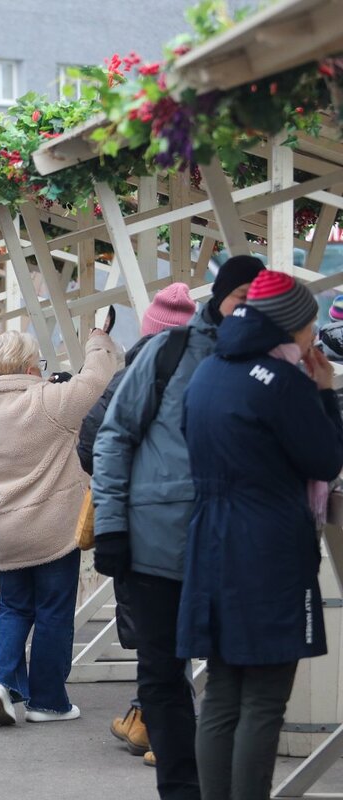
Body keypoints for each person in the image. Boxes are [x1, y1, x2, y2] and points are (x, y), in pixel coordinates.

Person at [94, 256, 263, 799]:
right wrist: (113, 528)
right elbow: (113, 436)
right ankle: (182, 788)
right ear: (221, 297)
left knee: (233, 676)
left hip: (236, 548)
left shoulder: (277, 359)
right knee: (162, 674)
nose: (248, 309)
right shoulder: (168, 351)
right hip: (156, 544)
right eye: (241, 297)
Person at [179, 271, 343, 800]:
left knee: (224, 692)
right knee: (266, 700)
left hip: (211, 541)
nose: (312, 339)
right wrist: (325, 394)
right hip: (269, 547)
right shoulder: (284, 382)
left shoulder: (208, 372)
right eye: (308, 327)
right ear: (289, 326)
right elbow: (324, 457)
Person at [75, 283, 196, 760]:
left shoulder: (129, 377)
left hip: (136, 522)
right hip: (195, 518)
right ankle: (150, 718)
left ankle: (157, 725)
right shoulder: (207, 373)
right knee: (181, 621)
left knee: (155, 626)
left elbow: (91, 443)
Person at [0, 328, 115, 726]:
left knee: (13, 607)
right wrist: (99, 339)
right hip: (49, 529)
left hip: (1, 532)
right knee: (53, 611)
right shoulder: (48, 401)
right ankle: (47, 701)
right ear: (30, 366)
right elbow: (97, 381)